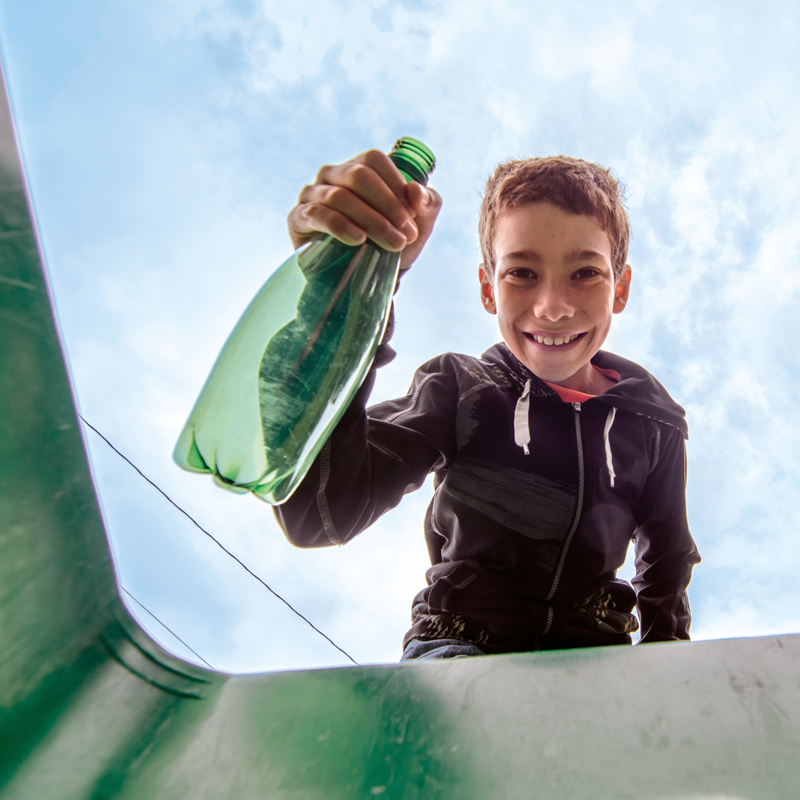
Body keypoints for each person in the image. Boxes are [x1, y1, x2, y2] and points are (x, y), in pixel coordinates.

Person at [274, 149, 701, 660]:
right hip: (458, 648)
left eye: (585, 273)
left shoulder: (655, 424)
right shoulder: (459, 389)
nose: (553, 307)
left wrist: (668, 673)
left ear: (621, 288)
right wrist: (341, 295)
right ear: (487, 288)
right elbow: (318, 513)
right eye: (522, 273)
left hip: (595, 662)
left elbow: (667, 561)